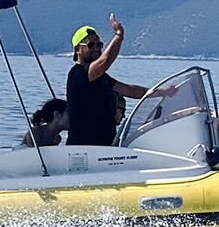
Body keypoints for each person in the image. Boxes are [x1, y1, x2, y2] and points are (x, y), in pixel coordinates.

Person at [66, 17, 155, 146]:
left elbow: (129, 90)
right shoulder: (78, 74)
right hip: (84, 148)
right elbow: (105, 61)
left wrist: (159, 91)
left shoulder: (101, 77)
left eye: (99, 45)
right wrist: (119, 35)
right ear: (77, 49)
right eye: (90, 45)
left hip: (105, 150)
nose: (96, 48)